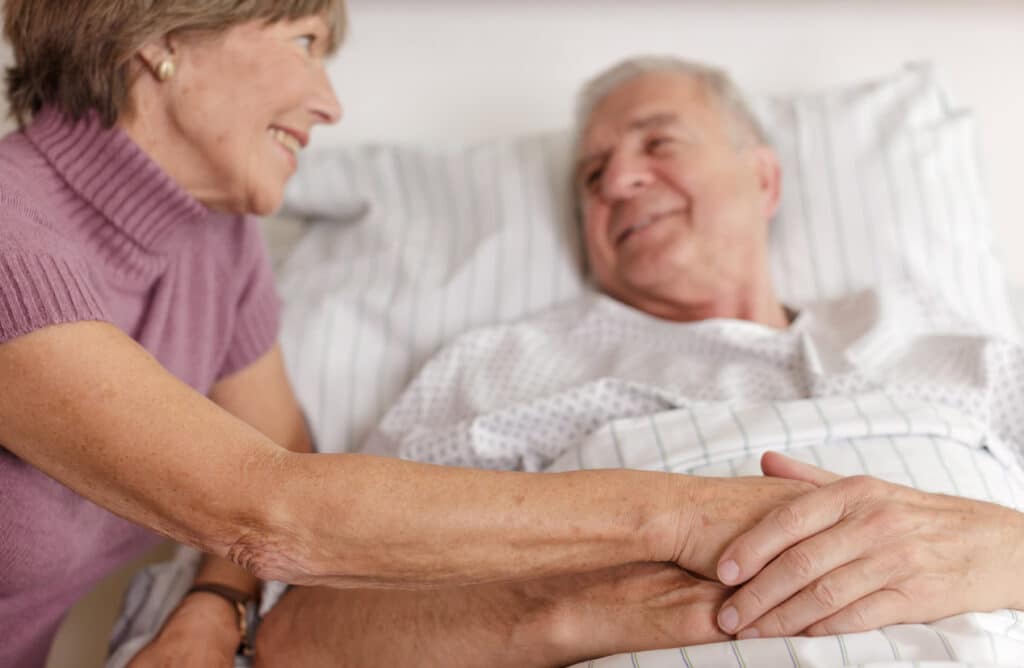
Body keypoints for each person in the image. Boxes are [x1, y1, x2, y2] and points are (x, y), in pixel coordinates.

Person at [0, 5, 810, 666]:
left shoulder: (221, 244)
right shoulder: (11, 230)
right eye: (305, 42)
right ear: (164, 36)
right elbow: (269, 507)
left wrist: (214, 607)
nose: (331, 104)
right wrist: (678, 517)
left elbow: (282, 458)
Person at [247, 57, 1024, 666]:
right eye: (592, 177)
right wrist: (581, 607)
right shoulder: (503, 369)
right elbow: (309, 635)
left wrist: (1001, 552)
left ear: (762, 178)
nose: (618, 182)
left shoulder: (938, 336)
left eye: (659, 143)